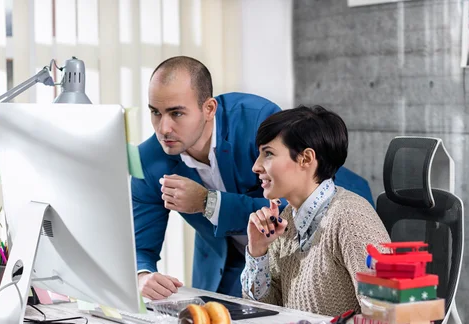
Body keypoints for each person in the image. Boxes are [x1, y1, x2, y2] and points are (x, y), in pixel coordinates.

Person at [132, 56, 375, 300]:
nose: (163, 128)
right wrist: (142, 275)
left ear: (209, 109)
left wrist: (209, 202)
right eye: (155, 112)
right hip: (229, 268)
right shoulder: (149, 160)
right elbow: (140, 245)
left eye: (176, 113)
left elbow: (298, 201)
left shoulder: (256, 120)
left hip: (315, 248)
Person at [234, 105, 411, 324]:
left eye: (268, 154)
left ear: (305, 159)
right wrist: (258, 251)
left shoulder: (352, 217)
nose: (256, 166)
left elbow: (392, 318)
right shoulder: (287, 218)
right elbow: (267, 313)